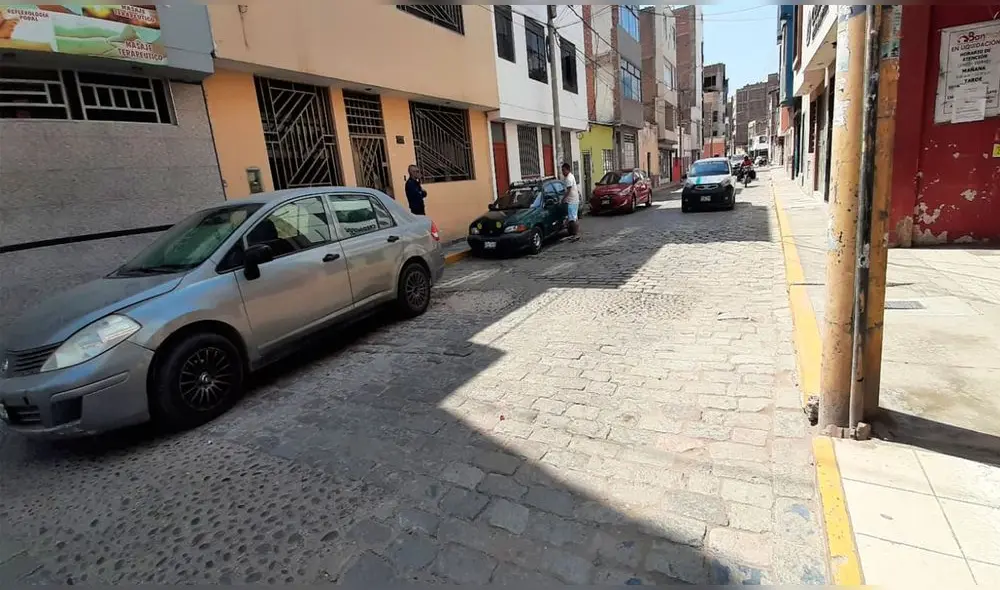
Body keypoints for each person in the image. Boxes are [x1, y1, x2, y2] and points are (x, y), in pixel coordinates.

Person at [561, 162, 580, 237]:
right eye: (562, 170)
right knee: (574, 217)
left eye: (563, 170)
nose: (562, 172)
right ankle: (575, 233)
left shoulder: (569, 178)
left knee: (572, 219)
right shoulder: (570, 176)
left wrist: (563, 199)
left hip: (572, 200)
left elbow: (568, 191)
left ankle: (575, 234)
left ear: (568, 170)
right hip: (574, 199)